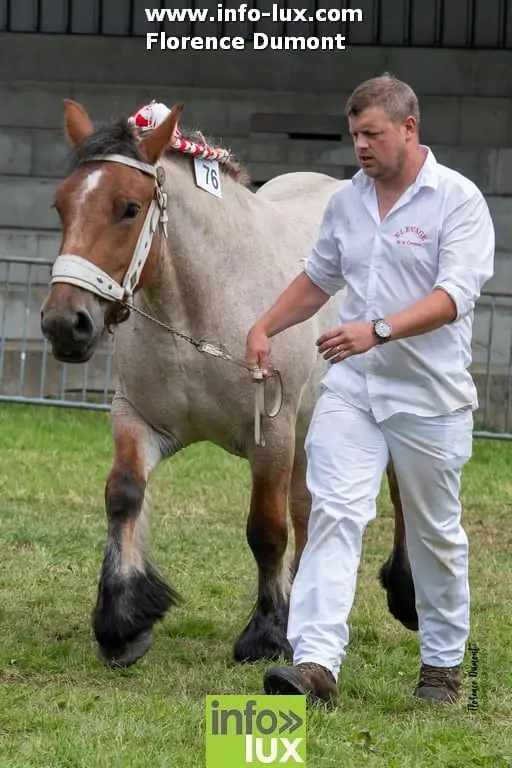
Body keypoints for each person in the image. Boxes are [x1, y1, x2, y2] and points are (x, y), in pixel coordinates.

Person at [244, 73, 495, 709]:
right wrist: (265, 325)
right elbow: (318, 277)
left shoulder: (459, 201)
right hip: (354, 390)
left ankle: (441, 669)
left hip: (430, 398)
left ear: (409, 129)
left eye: (372, 134)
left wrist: (376, 331)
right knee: (332, 513)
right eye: (354, 133)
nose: (360, 145)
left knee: (436, 534)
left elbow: (452, 298)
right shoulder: (347, 202)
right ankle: (314, 664)